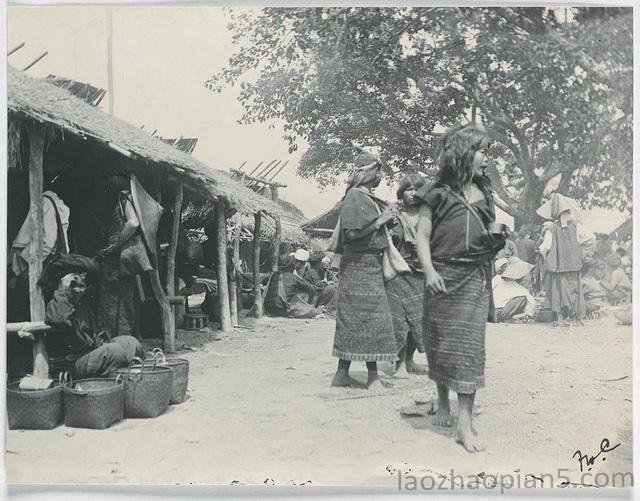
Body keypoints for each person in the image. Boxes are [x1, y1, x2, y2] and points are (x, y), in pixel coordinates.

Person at [414, 122, 506, 453]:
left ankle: (464, 423)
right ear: (465, 153)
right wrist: (428, 271)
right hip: (441, 275)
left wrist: (496, 239)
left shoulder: (485, 194)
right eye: (483, 152)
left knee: (469, 349)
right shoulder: (435, 192)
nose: (487, 159)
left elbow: (488, 233)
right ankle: (441, 401)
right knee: (439, 342)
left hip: (473, 279)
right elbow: (421, 236)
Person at [331, 150, 399, 389]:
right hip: (360, 266)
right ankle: (372, 378)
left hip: (365, 265)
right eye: (379, 170)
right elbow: (352, 233)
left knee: (357, 319)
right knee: (371, 319)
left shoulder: (364, 197)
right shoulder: (356, 198)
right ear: (369, 172)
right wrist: (381, 221)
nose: (381, 175)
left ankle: (341, 374)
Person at [95, 174, 162, 338]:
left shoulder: (124, 197)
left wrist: (114, 246)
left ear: (121, 178)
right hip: (122, 259)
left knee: (114, 298)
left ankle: (113, 338)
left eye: (113, 177)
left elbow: (132, 223)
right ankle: (125, 338)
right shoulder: (128, 198)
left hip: (117, 258)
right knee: (126, 299)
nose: (109, 180)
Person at [45, 272, 144, 378]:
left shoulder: (83, 306)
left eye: (81, 286)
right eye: (72, 286)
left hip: (87, 354)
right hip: (69, 364)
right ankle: (112, 374)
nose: (77, 290)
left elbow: (94, 333)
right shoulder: (56, 304)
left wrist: (99, 341)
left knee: (131, 342)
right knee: (114, 351)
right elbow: (60, 319)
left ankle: (126, 375)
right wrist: (62, 289)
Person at [386, 174, 428, 377]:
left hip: (421, 272)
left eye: (416, 190)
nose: (412, 194)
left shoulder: (428, 215)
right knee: (400, 320)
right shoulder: (393, 213)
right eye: (408, 189)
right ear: (401, 192)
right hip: (399, 271)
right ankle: (400, 364)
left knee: (418, 319)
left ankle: (410, 360)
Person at [8, 183, 70, 321]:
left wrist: (26, 269)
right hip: (38, 266)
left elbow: (47, 242)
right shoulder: (55, 203)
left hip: (34, 267)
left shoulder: (46, 201)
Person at [537, 193, 586, 324]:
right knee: (575, 290)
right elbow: (591, 239)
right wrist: (579, 253)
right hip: (574, 266)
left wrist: (547, 257)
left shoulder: (551, 228)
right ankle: (575, 318)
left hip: (559, 266)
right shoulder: (577, 227)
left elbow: (544, 248)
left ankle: (561, 319)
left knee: (558, 291)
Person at [264, 254, 318, 319]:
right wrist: (312, 305)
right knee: (312, 311)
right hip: (282, 310)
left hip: (269, 308)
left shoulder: (274, 275)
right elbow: (312, 288)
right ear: (291, 265)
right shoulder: (293, 277)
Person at [492, 257, 537, 322]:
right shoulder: (520, 289)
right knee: (522, 298)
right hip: (501, 313)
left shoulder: (496, 279)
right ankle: (511, 317)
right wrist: (529, 314)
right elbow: (533, 304)